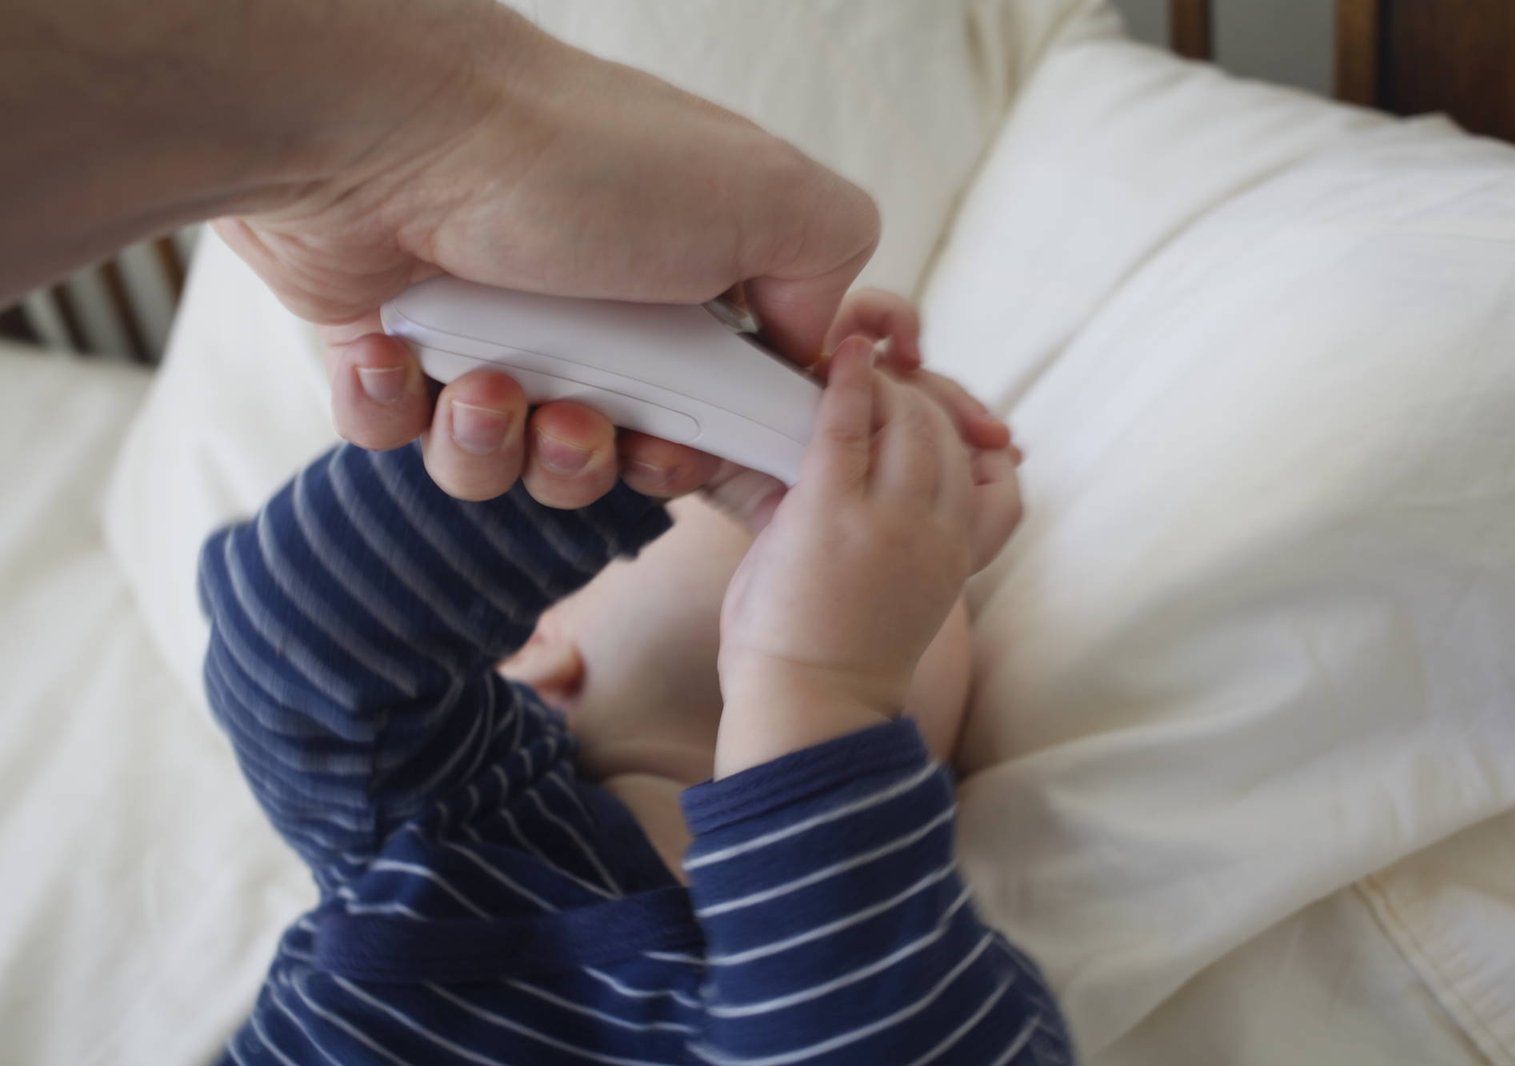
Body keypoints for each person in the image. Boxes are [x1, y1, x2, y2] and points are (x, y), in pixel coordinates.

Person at [198, 285, 1071, 1063]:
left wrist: (825, 690)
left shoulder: (927, 956)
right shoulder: (437, 822)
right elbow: (298, 646)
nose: (839, 592)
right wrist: (653, 414)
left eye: (907, 604)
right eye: (752, 525)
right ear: (532, 645)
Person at [4, 0, 1010, 506]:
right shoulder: (523, 803)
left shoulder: (460, 863)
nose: (866, 422)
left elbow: (311, 687)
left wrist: (822, 683)